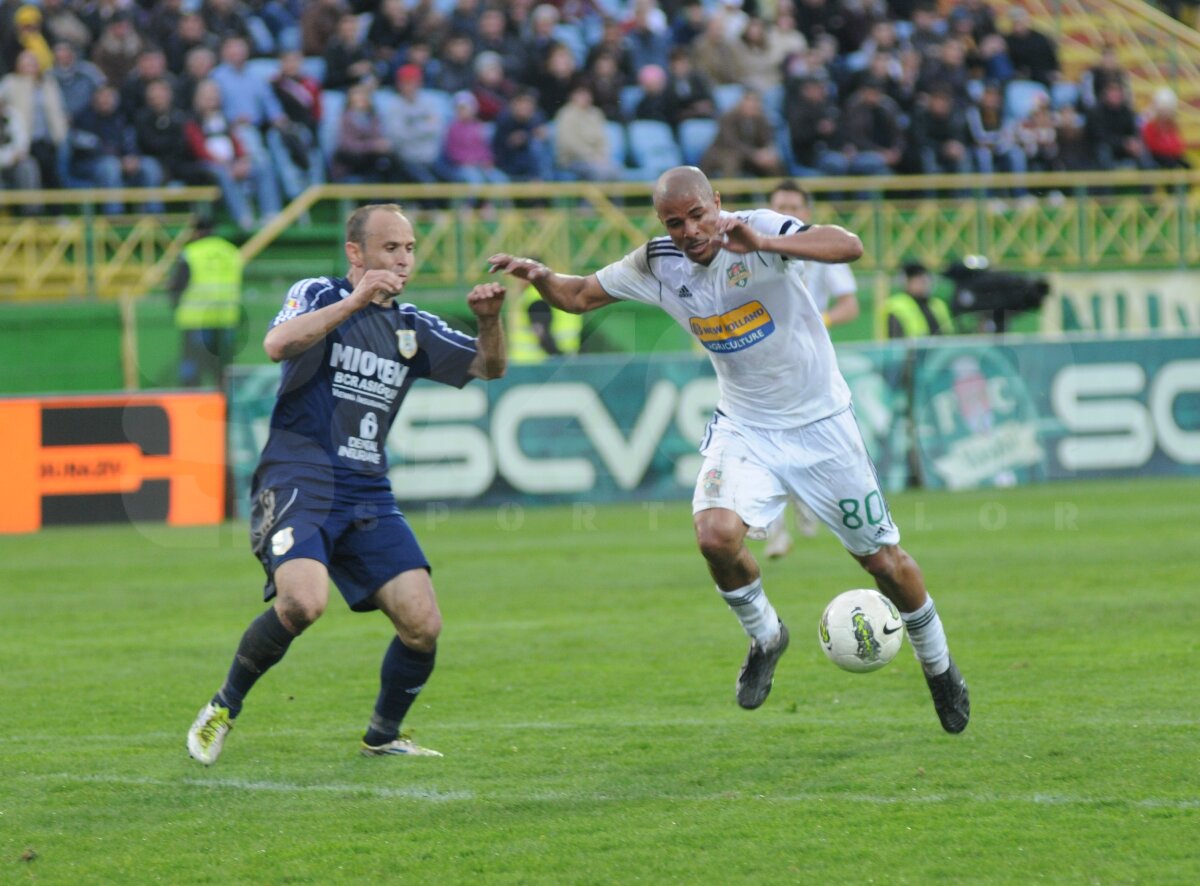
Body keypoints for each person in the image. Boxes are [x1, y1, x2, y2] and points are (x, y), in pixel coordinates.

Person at [488, 167, 970, 734]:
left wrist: (766, 242)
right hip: (745, 426)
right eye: (675, 222)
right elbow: (576, 295)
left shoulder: (759, 230)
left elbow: (849, 245)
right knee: (714, 535)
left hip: (822, 427)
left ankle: (939, 668)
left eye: (697, 214)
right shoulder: (656, 263)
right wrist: (542, 275)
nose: (690, 230)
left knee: (883, 562)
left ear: (716, 202)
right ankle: (766, 635)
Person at [186, 203, 507, 765]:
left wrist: (487, 320)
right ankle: (223, 707)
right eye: (391, 248)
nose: (403, 259)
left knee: (422, 624)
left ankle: (382, 737)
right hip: (298, 476)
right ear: (355, 253)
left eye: (409, 248)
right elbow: (277, 345)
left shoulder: (413, 325)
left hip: (366, 491)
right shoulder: (317, 292)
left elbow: (489, 367)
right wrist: (355, 300)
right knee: (303, 605)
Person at [762, 180, 859, 559]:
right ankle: (777, 533)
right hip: (765, 361)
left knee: (800, 442)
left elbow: (850, 305)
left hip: (808, 363)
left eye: (793, 206)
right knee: (766, 443)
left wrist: (820, 320)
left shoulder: (820, 247)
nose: (785, 212)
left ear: (807, 213)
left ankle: (804, 495)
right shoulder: (756, 248)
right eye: (778, 205)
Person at [168, 217, 244, 387]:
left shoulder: (191, 252)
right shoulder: (231, 251)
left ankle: (192, 405)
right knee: (224, 370)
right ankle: (226, 409)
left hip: (196, 321)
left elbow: (176, 285)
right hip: (226, 319)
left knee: (193, 368)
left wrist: (175, 307)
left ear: (196, 232)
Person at [881, 261, 954, 339]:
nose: (920, 282)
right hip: (912, 350)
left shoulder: (938, 304)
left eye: (922, 277)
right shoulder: (896, 305)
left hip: (942, 349)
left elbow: (948, 333)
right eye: (914, 279)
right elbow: (896, 340)